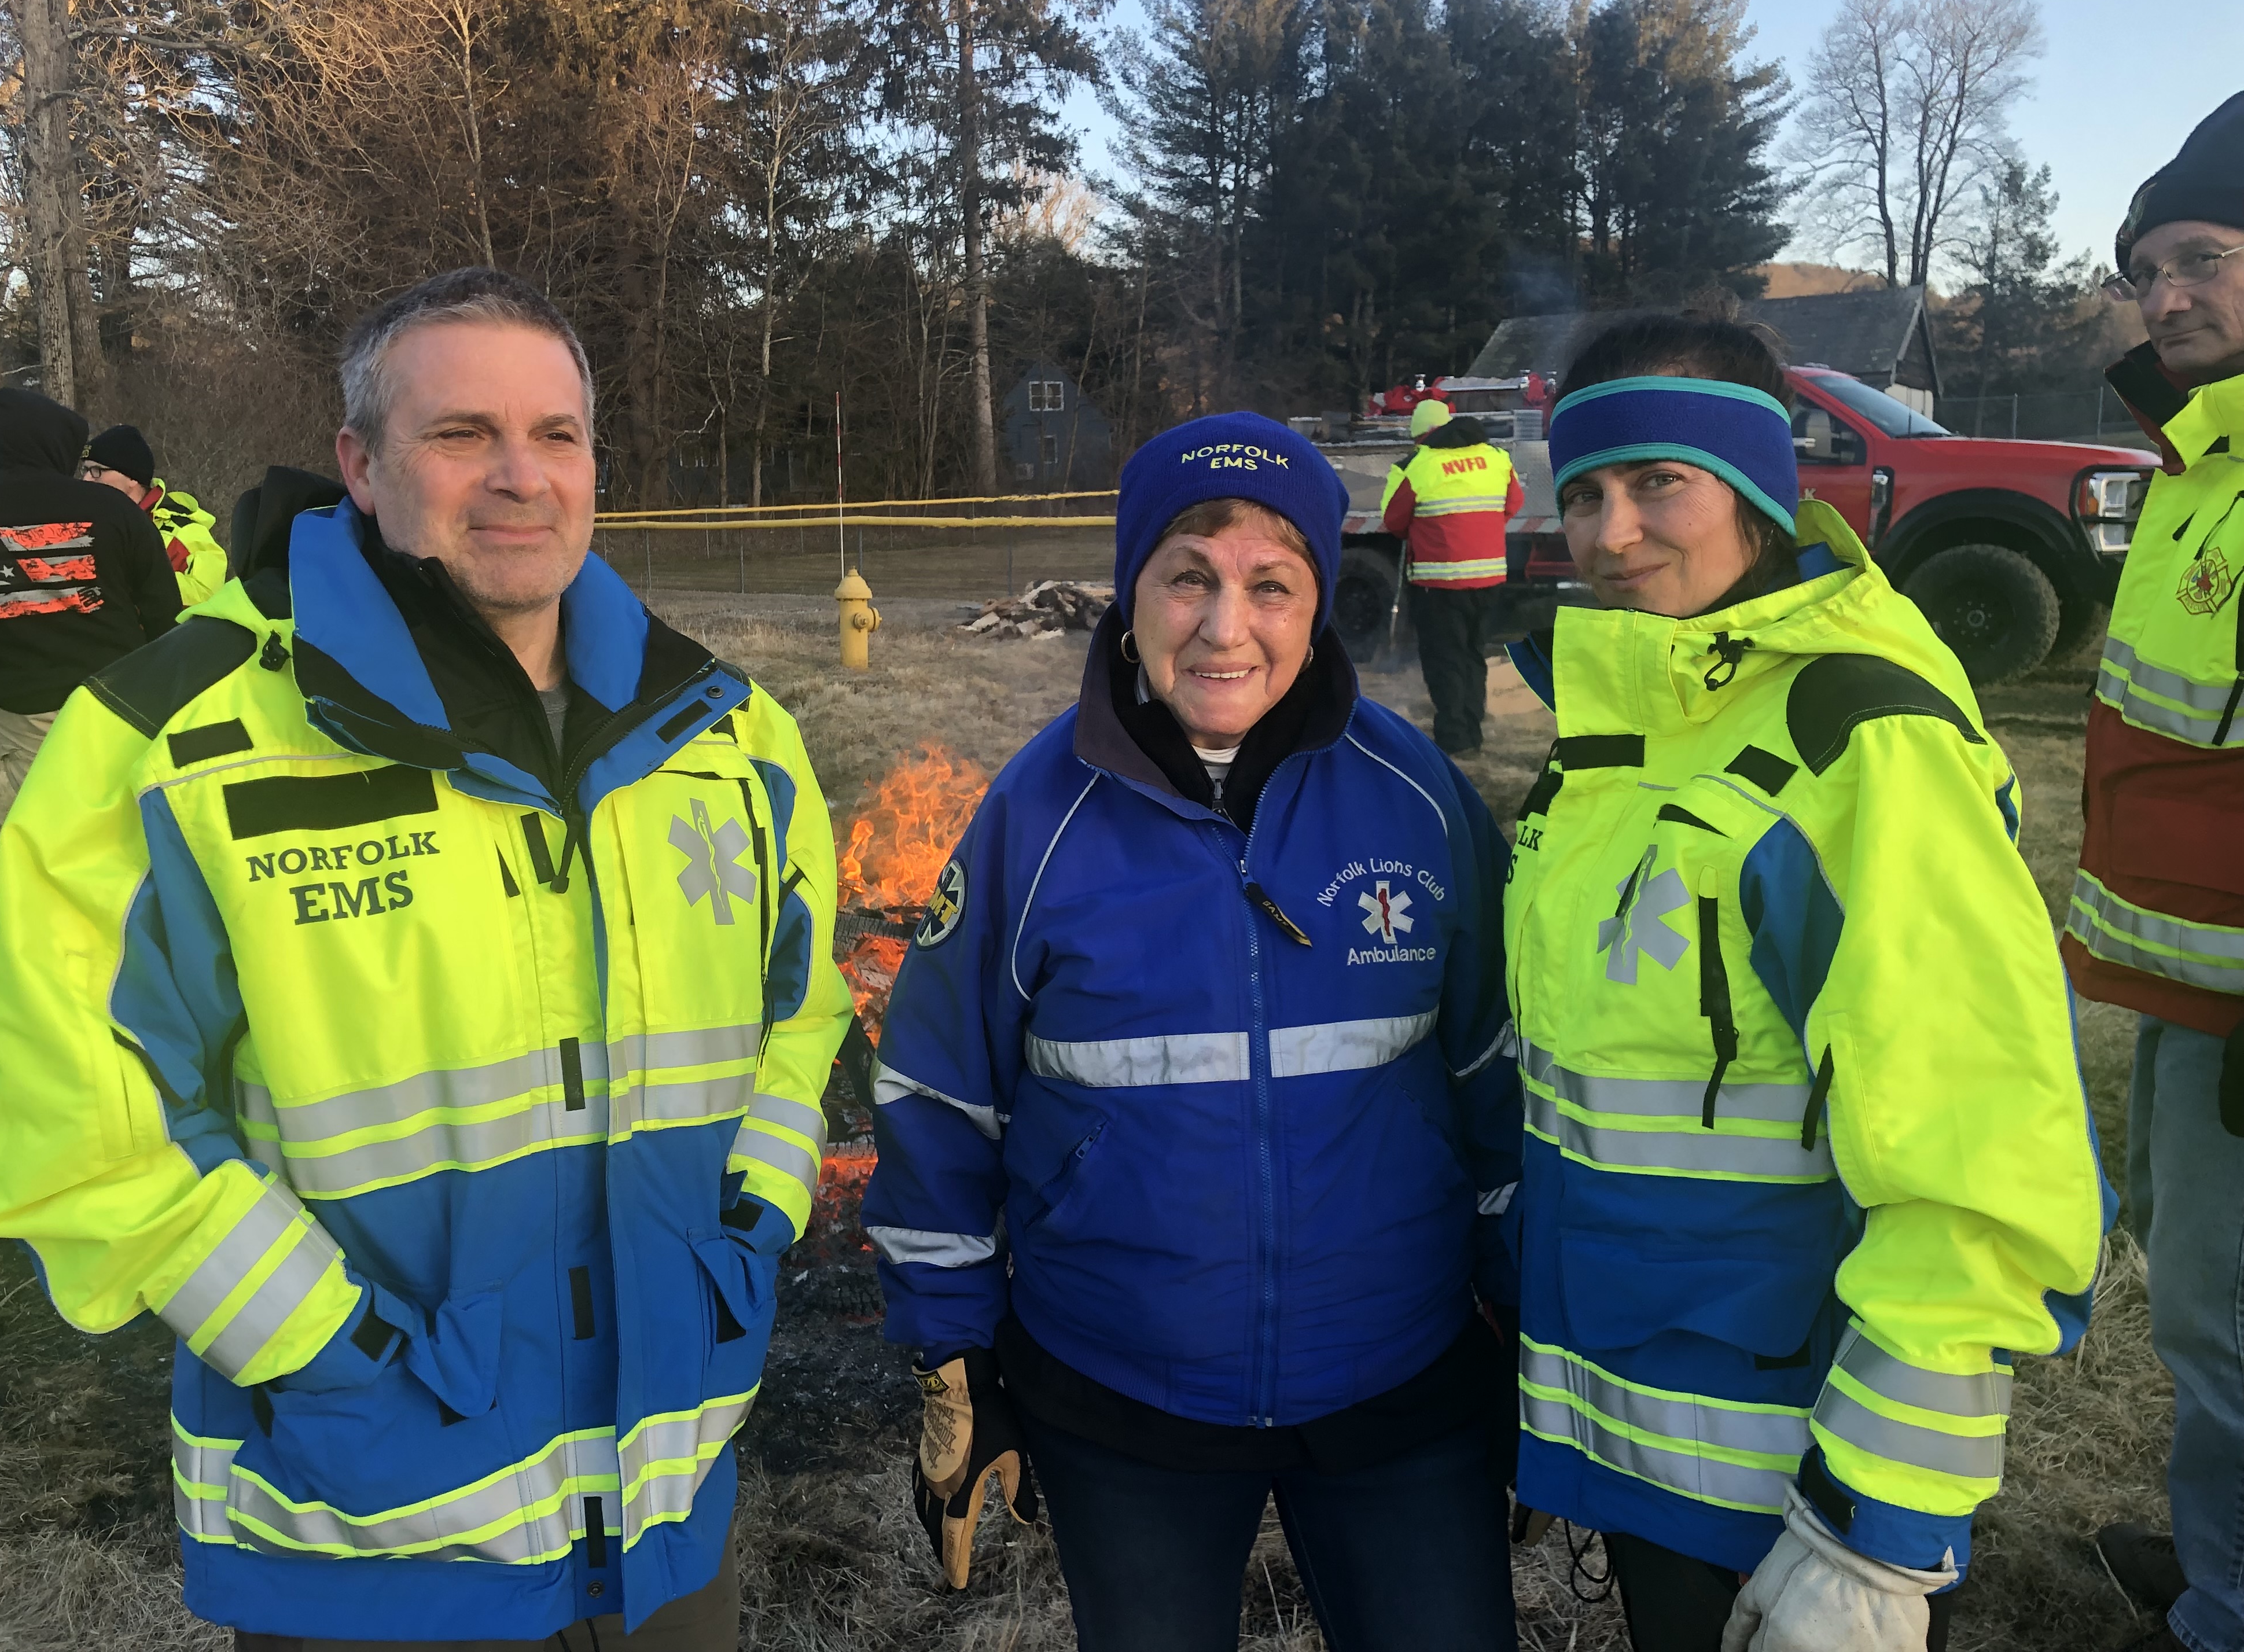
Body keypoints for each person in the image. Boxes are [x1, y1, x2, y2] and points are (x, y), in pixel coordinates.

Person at [0, 267, 851, 1647]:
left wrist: (751, 1232)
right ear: (361, 465)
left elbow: (804, 1016)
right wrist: (334, 1355)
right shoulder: (173, 749)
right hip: (366, 1530)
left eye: (556, 435)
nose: (518, 478)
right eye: (459, 434)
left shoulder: (728, 737)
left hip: (667, 1523)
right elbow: (51, 1119)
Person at [863, 411, 1523, 1651]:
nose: (1226, 628)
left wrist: (1534, 1315)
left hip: (1401, 1384)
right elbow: (940, 1095)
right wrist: (951, 1355)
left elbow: (1499, 1074)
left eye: (1271, 585)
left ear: (1321, 601)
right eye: (1187, 578)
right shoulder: (1033, 818)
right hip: (1123, 1401)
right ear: (1129, 595)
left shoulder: (1417, 796)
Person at [1501, 317, 2108, 1652]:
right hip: (1646, 1425)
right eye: (1586, 491)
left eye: (1659, 482)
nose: (1610, 534)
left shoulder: (1858, 740)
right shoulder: (1627, 721)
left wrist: (1874, 1539)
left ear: (1761, 493)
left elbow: (1977, 1150)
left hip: (1791, 1474)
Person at [2072, 90, 2244, 1652]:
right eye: (2147, 267)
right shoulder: (2201, 464)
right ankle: (2220, 1553)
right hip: (2190, 994)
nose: (2166, 293)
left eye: (2202, 255)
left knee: (2229, 1322)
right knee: (2208, 1316)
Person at [0, 385, 182, 786]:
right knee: (130, 827)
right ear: (61, 446)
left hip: (23, 709)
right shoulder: (115, 511)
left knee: (52, 838)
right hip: (122, 697)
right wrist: (160, 687)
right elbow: (164, 609)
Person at [1380, 395, 1523, 755]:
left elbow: (1394, 522)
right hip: (1489, 579)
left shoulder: (1419, 465)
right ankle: (1473, 729)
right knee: (1474, 654)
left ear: (1421, 435)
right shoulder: (1496, 458)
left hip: (1438, 583)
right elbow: (1513, 504)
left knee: (1445, 659)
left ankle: (1454, 740)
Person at [83, 422, 231, 608]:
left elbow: (207, 595)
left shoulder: (185, 533)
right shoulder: (82, 527)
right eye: (86, 470)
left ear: (132, 478)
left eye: (97, 471)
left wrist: (134, 580)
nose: (87, 479)